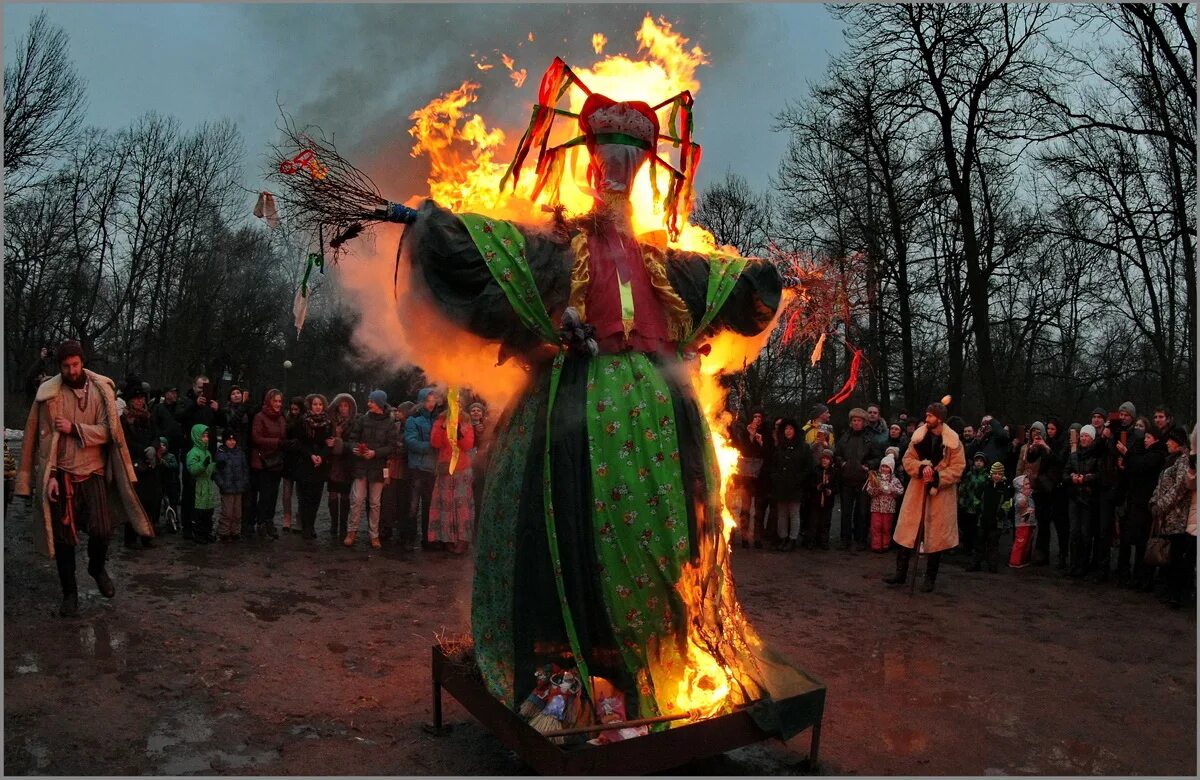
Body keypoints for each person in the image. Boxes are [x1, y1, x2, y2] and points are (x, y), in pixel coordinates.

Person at [293, 66, 811, 727]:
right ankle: (572, 662)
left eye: (630, 163)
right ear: (590, 167)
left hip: (655, 417)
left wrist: (782, 280)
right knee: (568, 526)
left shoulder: (662, 259)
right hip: (572, 415)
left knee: (655, 537)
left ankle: (641, 660)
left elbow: (737, 284)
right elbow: (481, 253)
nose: (617, 175)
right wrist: (420, 219)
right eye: (607, 162)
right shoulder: (559, 250)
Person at [15, 341, 154, 617]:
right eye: (66, 366)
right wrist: (49, 476)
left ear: (82, 362)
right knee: (65, 540)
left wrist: (74, 428)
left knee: (102, 529)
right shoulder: (49, 394)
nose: (71, 370)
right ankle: (70, 595)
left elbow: (108, 432)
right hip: (62, 475)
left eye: (75, 364)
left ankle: (96, 567)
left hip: (94, 473)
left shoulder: (101, 390)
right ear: (60, 367)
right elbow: (39, 440)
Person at [884, 400, 965, 593]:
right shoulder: (918, 438)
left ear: (939, 418)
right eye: (926, 415)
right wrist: (922, 468)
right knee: (907, 531)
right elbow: (907, 459)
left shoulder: (953, 442)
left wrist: (937, 476)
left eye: (930, 415)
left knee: (935, 536)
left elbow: (958, 468)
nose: (926, 418)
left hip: (940, 495)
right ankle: (901, 573)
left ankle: (930, 578)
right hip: (917, 490)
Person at [1149, 427, 1196, 608]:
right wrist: (1153, 501)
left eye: (1170, 440)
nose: (1167, 443)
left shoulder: (1183, 461)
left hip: (1176, 516)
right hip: (1166, 516)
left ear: (1178, 443)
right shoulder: (1169, 461)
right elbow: (1160, 485)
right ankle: (1168, 590)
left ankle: (1176, 594)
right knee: (1169, 555)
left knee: (1176, 556)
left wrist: (1161, 505)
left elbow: (1179, 489)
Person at [345, 389, 397, 549]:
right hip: (361, 466)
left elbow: (392, 446)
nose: (369, 404)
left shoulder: (389, 423)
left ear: (380, 404)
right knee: (357, 500)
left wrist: (375, 453)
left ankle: (374, 535)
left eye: (372, 401)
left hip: (377, 466)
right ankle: (351, 531)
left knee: (375, 503)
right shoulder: (362, 419)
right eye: (369, 401)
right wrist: (355, 448)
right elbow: (352, 439)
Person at [175, 375, 222, 540]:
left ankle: (203, 528)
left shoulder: (211, 404)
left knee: (206, 492)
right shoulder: (186, 401)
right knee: (189, 491)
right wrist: (194, 405)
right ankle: (187, 527)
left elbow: (223, 422)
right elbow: (179, 416)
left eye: (206, 388)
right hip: (191, 454)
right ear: (194, 386)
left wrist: (219, 410)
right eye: (200, 387)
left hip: (208, 454)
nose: (203, 391)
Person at [428, 397, 477, 554]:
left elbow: (468, 445)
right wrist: (443, 427)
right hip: (445, 468)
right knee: (446, 505)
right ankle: (446, 537)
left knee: (461, 506)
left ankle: (462, 539)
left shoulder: (466, 420)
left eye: (459, 403)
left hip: (462, 468)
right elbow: (435, 442)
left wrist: (458, 433)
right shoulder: (441, 419)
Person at [1119, 427, 1166, 589]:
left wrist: (1127, 454)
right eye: (1144, 437)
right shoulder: (1144, 453)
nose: (1145, 440)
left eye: (1148, 437)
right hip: (1137, 502)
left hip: (1146, 504)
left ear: (1156, 439)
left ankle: (1144, 578)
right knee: (1137, 541)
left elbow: (1142, 465)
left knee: (1144, 542)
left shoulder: (1158, 455)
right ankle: (1137, 576)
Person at [119, 380, 160, 548]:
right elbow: (125, 441)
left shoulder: (149, 417)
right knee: (135, 501)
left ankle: (146, 535)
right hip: (134, 464)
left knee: (151, 501)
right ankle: (130, 538)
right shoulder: (124, 419)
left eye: (141, 398)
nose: (140, 401)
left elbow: (156, 435)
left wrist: (154, 446)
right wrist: (145, 450)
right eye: (136, 398)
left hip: (150, 464)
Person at [834, 407, 879, 551]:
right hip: (846, 480)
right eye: (854, 420)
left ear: (864, 422)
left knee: (862, 512)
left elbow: (877, 457)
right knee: (845, 512)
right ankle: (845, 539)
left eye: (859, 420)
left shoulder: (870, 439)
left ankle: (861, 539)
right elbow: (837, 454)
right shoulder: (844, 437)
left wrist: (868, 465)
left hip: (863, 481)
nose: (856, 423)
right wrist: (842, 463)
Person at [767, 418, 813, 552]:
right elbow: (773, 465)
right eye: (786, 429)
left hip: (796, 485)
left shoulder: (803, 447)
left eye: (790, 428)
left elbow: (807, 467)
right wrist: (776, 478)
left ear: (795, 430)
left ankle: (792, 539)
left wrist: (799, 479)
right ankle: (783, 538)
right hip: (780, 485)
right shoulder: (779, 447)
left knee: (794, 513)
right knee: (782, 513)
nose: (788, 431)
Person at [405, 387, 440, 551]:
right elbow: (410, 442)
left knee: (428, 505)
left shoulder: (438, 419)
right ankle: (409, 539)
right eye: (428, 400)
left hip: (431, 469)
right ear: (422, 401)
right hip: (417, 468)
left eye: (433, 400)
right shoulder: (413, 419)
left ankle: (427, 539)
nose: (431, 403)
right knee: (413, 505)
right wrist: (431, 446)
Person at [1064, 424, 1101, 578]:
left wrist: (1085, 479)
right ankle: (1073, 566)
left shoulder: (1096, 455)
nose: (1084, 438)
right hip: (1074, 497)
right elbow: (1065, 473)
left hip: (1088, 498)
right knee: (1074, 533)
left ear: (1092, 439)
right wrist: (1072, 478)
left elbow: (1099, 475)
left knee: (1086, 534)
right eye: (1083, 436)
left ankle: (1084, 566)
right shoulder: (1073, 455)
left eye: (1087, 436)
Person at [293, 394, 332, 540]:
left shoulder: (328, 422)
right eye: (315, 404)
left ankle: (311, 525)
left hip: (320, 464)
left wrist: (321, 456)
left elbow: (329, 443)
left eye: (320, 404)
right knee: (305, 498)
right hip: (305, 462)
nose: (318, 407)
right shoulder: (303, 421)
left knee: (316, 497)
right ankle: (305, 526)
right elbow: (300, 442)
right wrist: (311, 455)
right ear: (310, 405)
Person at [250, 389, 287, 539]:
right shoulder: (260, 417)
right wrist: (277, 442)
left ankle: (269, 521)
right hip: (264, 462)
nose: (278, 404)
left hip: (277, 462)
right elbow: (256, 438)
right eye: (275, 401)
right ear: (269, 401)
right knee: (265, 495)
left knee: (273, 495)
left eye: (279, 401)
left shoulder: (281, 418)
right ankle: (261, 523)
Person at [730, 410, 768, 549]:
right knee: (745, 508)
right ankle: (745, 537)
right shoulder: (744, 434)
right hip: (746, 477)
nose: (757, 419)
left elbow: (767, 453)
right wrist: (750, 437)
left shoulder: (766, 433)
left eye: (759, 416)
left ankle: (757, 537)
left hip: (760, 478)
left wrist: (761, 441)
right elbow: (742, 451)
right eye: (755, 416)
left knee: (758, 510)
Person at [326, 392, 358, 542]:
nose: (344, 408)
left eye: (346, 405)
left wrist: (339, 440)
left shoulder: (354, 423)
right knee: (332, 493)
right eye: (341, 405)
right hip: (333, 462)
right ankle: (333, 523)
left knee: (345, 495)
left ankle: (343, 525)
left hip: (347, 463)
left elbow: (353, 442)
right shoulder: (331, 422)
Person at [969, 462, 1009, 573]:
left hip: (996, 522)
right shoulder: (985, 485)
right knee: (979, 543)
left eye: (999, 474)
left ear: (1002, 475)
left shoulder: (1004, 489)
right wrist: (977, 508)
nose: (997, 476)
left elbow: (1008, 502)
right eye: (995, 473)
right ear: (991, 474)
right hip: (982, 520)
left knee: (993, 545)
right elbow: (977, 497)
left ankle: (992, 566)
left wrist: (1003, 511)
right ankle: (975, 564)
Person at [381, 402, 412, 545]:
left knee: (403, 502)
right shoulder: (394, 426)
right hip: (392, 466)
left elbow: (406, 446)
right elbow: (389, 445)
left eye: (400, 411)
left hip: (405, 469)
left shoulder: (410, 427)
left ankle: (403, 531)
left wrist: (399, 448)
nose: (397, 414)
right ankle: (387, 528)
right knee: (388, 501)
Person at [213, 429, 250, 542]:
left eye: (233, 440)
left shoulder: (240, 452)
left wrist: (244, 481)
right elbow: (216, 472)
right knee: (227, 512)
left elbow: (245, 469)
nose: (231, 442)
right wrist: (222, 484)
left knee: (237, 512)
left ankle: (235, 531)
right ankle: (224, 532)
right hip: (227, 488)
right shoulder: (221, 454)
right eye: (229, 440)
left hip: (238, 487)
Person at [865, 453, 904, 553]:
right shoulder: (875, 478)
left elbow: (901, 491)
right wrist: (877, 490)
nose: (884, 469)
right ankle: (876, 545)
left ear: (891, 468)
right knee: (876, 526)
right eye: (883, 466)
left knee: (886, 527)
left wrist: (891, 489)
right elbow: (869, 490)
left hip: (889, 508)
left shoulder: (894, 480)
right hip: (876, 507)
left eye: (887, 467)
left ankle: (886, 544)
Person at [185, 424, 217, 543]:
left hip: (207, 485)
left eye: (207, 436)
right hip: (198, 485)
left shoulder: (207, 452)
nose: (206, 438)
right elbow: (193, 469)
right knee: (198, 512)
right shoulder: (193, 453)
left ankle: (206, 532)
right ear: (197, 437)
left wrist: (216, 467)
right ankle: (198, 534)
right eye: (203, 436)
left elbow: (209, 468)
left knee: (208, 511)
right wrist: (203, 465)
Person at [802, 448, 839, 549]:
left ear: (830, 460)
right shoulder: (815, 470)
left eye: (827, 458)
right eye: (823, 458)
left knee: (825, 522)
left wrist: (831, 491)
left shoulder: (833, 472)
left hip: (827, 502)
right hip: (815, 500)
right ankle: (811, 541)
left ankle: (823, 541)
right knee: (813, 522)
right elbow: (809, 484)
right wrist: (816, 487)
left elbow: (836, 486)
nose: (824, 460)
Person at [280, 395, 305, 532]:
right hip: (289, 459)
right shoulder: (286, 419)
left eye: (296, 409)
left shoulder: (304, 421)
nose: (294, 411)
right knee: (286, 492)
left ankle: (299, 518)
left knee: (300, 493)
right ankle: (287, 517)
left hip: (300, 460)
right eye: (292, 408)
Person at [957, 453, 988, 557]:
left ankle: (976, 549)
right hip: (967, 506)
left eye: (981, 461)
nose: (978, 463)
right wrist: (962, 502)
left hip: (978, 507)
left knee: (976, 530)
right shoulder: (969, 474)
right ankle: (967, 548)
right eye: (977, 461)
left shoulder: (986, 476)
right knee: (967, 529)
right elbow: (963, 488)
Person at [1009, 475, 1036, 568]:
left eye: (1029, 483)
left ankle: (1021, 559)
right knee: (1020, 542)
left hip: (1028, 522)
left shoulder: (1027, 494)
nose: (1028, 485)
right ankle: (1015, 561)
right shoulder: (1021, 496)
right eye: (1026, 484)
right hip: (1022, 524)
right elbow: (1020, 504)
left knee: (1025, 542)